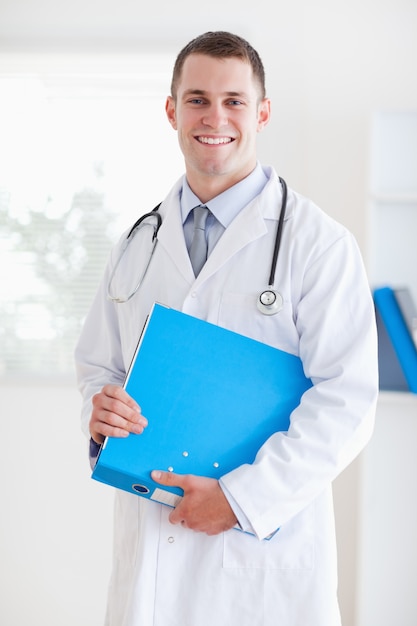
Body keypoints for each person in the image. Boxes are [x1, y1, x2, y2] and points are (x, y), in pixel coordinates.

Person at [75, 31, 378, 626]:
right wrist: (99, 410)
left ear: (262, 113)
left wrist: (241, 502)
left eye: (235, 100)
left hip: (260, 566)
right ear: (172, 111)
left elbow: (347, 401)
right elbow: (98, 366)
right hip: (149, 564)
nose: (216, 117)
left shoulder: (318, 245)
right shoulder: (138, 243)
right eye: (197, 99)